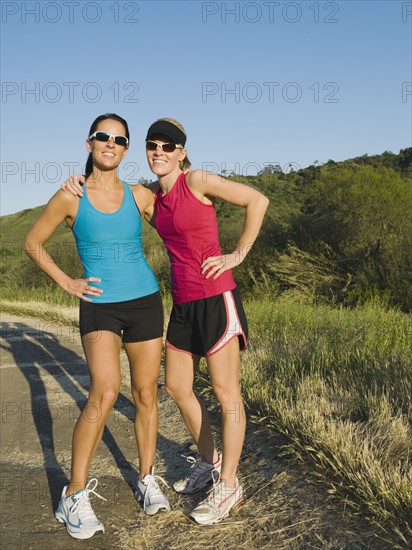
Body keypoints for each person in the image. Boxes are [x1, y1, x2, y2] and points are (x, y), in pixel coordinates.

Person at [63, 117, 269, 525]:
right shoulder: (150, 195)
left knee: (227, 392)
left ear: (182, 151)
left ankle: (228, 484)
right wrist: (79, 181)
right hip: (183, 304)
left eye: (168, 146)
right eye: (152, 145)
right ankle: (210, 461)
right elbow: (109, 194)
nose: (159, 151)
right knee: (176, 386)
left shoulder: (199, 181)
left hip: (216, 297)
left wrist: (237, 254)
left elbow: (257, 201)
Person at [24, 113, 170, 541]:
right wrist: (68, 282)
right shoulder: (71, 195)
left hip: (145, 301)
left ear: (126, 149)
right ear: (89, 143)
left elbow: (178, 224)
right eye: (103, 136)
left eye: (120, 139)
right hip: (100, 307)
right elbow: (33, 243)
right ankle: (72, 495)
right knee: (105, 392)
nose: (111, 143)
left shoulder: (140, 194)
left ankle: (146, 478)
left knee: (145, 393)